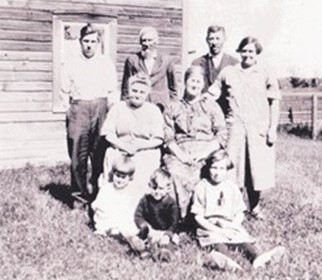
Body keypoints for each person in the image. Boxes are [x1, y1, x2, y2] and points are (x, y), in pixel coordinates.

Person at [208, 36, 281, 217]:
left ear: (257, 54)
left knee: (255, 169)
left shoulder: (265, 73)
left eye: (251, 51)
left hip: (258, 128)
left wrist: (273, 128)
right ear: (239, 52)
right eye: (245, 51)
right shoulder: (229, 72)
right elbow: (213, 92)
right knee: (234, 168)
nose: (247, 55)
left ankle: (255, 207)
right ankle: (234, 207)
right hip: (235, 127)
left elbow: (275, 102)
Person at [191, 150, 285, 271]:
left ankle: (258, 258)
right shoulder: (202, 187)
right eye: (214, 167)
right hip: (210, 226)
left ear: (227, 170)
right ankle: (226, 262)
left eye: (221, 168)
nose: (217, 172)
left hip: (229, 224)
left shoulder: (231, 187)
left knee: (243, 241)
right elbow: (198, 217)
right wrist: (217, 229)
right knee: (217, 241)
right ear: (208, 168)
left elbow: (239, 212)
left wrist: (233, 226)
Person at [61, 23, 117, 205]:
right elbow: (63, 91)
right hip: (79, 108)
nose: (89, 45)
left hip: (101, 107)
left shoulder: (105, 62)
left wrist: (110, 113)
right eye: (86, 41)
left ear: (99, 42)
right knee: (78, 155)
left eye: (93, 41)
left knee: (100, 152)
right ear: (80, 42)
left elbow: (112, 91)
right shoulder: (71, 62)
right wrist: (69, 110)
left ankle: (99, 195)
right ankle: (79, 197)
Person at [163, 66, 227, 219]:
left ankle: (207, 215)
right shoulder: (173, 107)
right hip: (180, 150)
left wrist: (204, 153)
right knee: (174, 171)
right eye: (192, 80)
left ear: (203, 84)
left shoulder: (211, 106)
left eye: (199, 81)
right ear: (185, 82)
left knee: (211, 171)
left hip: (207, 150)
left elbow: (221, 134)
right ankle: (179, 218)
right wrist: (181, 155)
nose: (195, 85)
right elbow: (168, 136)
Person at [101, 72, 164, 199]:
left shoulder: (153, 110)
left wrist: (139, 146)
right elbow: (108, 133)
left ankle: (140, 205)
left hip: (144, 149)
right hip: (120, 147)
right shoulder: (118, 108)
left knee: (144, 163)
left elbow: (158, 139)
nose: (137, 94)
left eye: (142, 92)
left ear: (147, 93)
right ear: (128, 91)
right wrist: (122, 146)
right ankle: (112, 202)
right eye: (134, 91)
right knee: (113, 157)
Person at [121, 26, 178, 112]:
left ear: (156, 42)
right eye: (144, 40)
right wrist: (124, 107)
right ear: (140, 42)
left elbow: (173, 87)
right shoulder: (132, 60)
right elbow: (126, 87)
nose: (147, 44)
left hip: (161, 106)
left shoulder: (166, 60)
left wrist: (173, 105)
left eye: (150, 40)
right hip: (139, 106)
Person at [134, 168, 180, 261]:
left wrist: (167, 235)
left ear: (168, 189)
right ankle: (145, 250)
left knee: (168, 244)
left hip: (166, 232)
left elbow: (174, 223)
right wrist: (144, 225)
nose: (157, 191)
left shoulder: (171, 203)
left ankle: (165, 254)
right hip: (151, 230)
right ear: (149, 186)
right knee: (138, 239)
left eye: (161, 188)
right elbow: (138, 215)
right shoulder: (145, 199)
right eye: (154, 187)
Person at [191, 25, 238, 116]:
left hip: (227, 114)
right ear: (207, 40)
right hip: (204, 114)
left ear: (224, 39)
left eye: (218, 38)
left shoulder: (234, 64)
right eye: (211, 39)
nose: (214, 42)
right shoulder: (197, 63)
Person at [91, 155, 139, 238]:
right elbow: (98, 204)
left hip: (123, 217)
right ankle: (106, 230)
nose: (119, 180)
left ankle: (123, 233)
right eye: (117, 176)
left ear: (130, 177)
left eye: (123, 177)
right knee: (105, 220)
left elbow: (134, 207)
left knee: (129, 224)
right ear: (113, 174)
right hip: (108, 216)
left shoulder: (131, 190)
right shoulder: (107, 188)